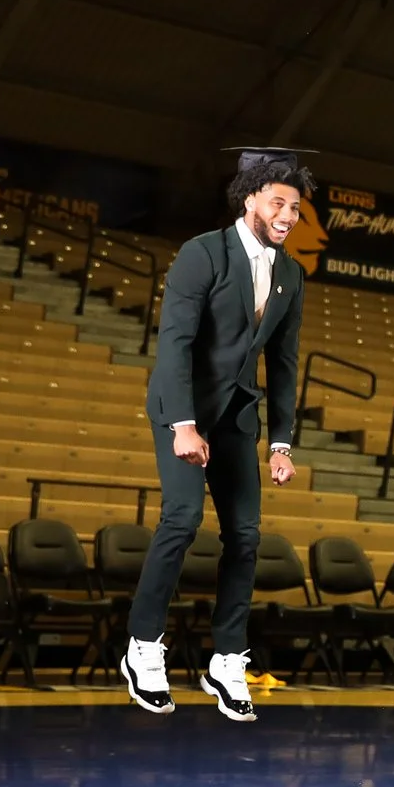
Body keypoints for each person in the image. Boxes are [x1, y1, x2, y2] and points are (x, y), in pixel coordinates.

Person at [120, 149, 310, 724]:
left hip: (236, 415)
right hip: (183, 407)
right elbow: (174, 342)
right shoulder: (201, 253)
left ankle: (227, 660)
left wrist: (281, 443)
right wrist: (182, 425)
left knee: (246, 536)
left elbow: (283, 363)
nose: (288, 215)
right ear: (250, 197)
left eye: (296, 208)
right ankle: (142, 648)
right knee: (181, 519)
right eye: (279, 202)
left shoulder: (291, 275)